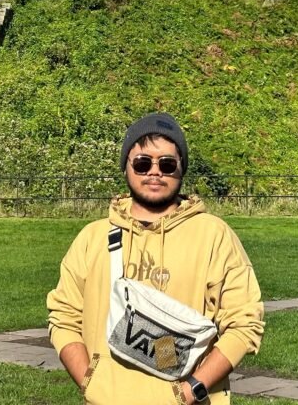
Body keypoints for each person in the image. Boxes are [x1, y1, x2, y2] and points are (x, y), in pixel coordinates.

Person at [47, 113, 264, 404]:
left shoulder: (214, 236)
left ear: (181, 169)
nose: (154, 172)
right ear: (126, 167)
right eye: (142, 162)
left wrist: (190, 391)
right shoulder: (93, 238)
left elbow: (244, 323)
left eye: (167, 164)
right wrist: (90, 380)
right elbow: (63, 316)